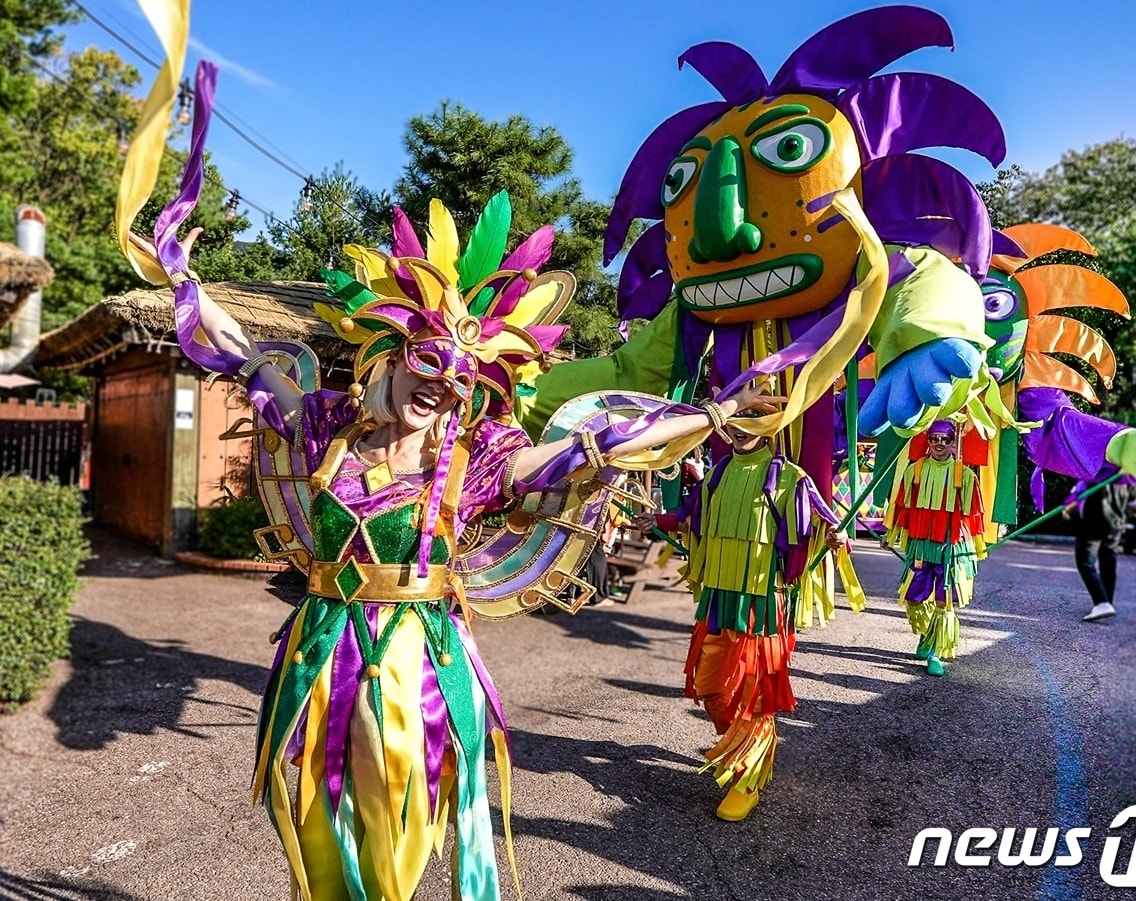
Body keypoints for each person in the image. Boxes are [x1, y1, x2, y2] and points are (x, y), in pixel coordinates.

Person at [130, 221, 766, 901]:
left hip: (413, 661)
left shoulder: (479, 459)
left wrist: (713, 414)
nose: (441, 385)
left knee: (398, 823)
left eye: (462, 379)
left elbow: (597, 444)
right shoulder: (327, 429)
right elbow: (248, 357)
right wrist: (182, 280)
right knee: (317, 821)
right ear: (394, 357)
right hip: (321, 649)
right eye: (429, 360)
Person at [633, 421, 858, 822]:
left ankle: (747, 778)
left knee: (753, 692)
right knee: (709, 685)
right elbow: (692, 515)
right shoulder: (717, 473)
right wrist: (660, 521)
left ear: (772, 423)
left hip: (761, 604)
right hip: (719, 598)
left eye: (754, 417)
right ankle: (747, 749)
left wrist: (835, 537)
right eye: (737, 416)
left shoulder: (789, 477)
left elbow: (821, 524)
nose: (741, 428)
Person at [882, 420, 987, 677]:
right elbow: (903, 506)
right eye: (934, 438)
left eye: (945, 439)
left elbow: (973, 516)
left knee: (944, 599)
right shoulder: (913, 471)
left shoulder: (966, 475)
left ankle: (935, 652)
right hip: (921, 545)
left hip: (950, 548)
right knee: (914, 595)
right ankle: (927, 635)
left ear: (953, 442)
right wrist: (891, 534)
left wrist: (976, 546)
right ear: (928, 441)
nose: (939, 444)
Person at [1064, 477, 1134, 622]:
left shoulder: (1097, 466)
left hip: (1094, 521)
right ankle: (1107, 601)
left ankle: (1102, 603)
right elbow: (1134, 501)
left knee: (1085, 562)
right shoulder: (1125, 469)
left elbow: (1084, 493)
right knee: (1108, 559)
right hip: (1115, 522)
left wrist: (1069, 508)